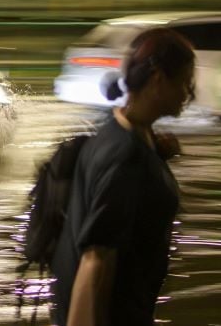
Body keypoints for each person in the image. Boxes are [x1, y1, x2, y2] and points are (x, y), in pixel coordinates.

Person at [51, 27, 195, 326]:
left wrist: (155, 153)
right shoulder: (125, 157)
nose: (189, 94)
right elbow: (96, 263)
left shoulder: (120, 129)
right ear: (158, 81)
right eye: (184, 82)